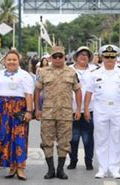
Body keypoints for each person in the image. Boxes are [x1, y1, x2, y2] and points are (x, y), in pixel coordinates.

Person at [83, 45, 120, 179]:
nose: (109, 59)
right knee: (101, 138)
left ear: (116, 58)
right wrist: (86, 109)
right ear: (102, 57)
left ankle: (114, 168)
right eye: (107, 57)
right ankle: (102, 168)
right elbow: (88, 93)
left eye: (112, 57)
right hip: (100, 108)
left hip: (118, 108)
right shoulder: (95, 74)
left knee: (117, 138)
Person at [0, 50, 34, 180]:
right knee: (4, 137)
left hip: (19, 108)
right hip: (2, 109)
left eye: (14, 60)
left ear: (18, 61)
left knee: (19, 137)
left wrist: (29, 111)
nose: (11, 62)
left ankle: (21, 168)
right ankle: (11, 167)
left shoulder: (25, 75)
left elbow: (29, 94)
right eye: (9, 59)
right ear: (5, 61)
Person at [34, 46, 82, 180]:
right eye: (54, 56)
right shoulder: (43, 72)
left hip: (65, 113)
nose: (57, 59)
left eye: (60, 56)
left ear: (64, 57)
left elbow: (78, 90)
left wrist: (78, 109)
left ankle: (60, 170)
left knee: (64, 142)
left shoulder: (72, 72)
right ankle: (50, 170)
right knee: (46, 141)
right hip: (48, 113)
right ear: (50, 58)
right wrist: (37, 109)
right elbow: (37, 91)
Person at [66, 46, 97, 171]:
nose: (83, 56)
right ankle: (73, 160)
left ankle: (88, 161)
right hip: (72, 108)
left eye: (86, 54)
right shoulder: (69, 70)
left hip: (90, 109)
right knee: (73, 137)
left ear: (89, 57)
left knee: (88, 138)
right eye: (80, 54)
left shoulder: (95, 70)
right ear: (76, 57)